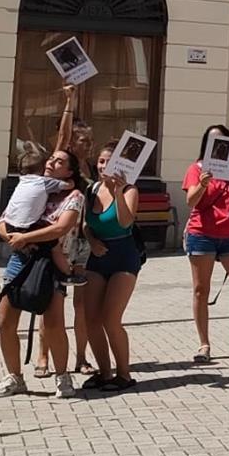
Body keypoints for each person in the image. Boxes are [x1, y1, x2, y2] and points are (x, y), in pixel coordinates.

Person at [0, 146, 88, 398]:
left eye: (59, 162)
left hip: (49, 263)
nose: (51, 163)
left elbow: (61, 228)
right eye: (51, 159)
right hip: (20, 259)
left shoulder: (73, 196)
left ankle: (62, 378)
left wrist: (26, 237)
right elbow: (3, 220)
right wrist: (13, 237)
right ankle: (14, 377)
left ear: (69, 172)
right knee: (5, 322)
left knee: (54, 323)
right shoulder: (33, 186)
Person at [183, 124, 229, 361]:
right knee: (200, 290)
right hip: (201, 233)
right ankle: (204, 345)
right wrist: (203, 184)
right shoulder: (196, 169)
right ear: (206, 145)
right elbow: (191, 201)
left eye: (223, 141)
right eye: (213, 141)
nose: (218, 146)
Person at [77, 144, 142, 389]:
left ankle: (124, 374)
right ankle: (104, 373)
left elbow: (125, 222)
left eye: (110, 162)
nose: (104, 166)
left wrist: (117, 192)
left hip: (124, 257)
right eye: (102, 161)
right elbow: (85, 224)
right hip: (97, 256)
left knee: (110, 318)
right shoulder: (92, 189)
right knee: (90, 317)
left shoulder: (130, 190)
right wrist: (92, 242)